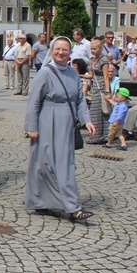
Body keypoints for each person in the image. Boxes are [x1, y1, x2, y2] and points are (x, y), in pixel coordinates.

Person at [24, 36, 96, 221]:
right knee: (43, 163)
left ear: (70, 52)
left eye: (65, 49)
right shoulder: (44, 73)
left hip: (66, 123)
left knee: (65, 164)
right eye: (58, 49)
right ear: (52, 50)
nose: (61, 52)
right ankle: (40, 201)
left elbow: (79, 99)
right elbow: (33, 102)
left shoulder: (72, 73)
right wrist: (31, 127)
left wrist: (86, 120)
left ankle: (72, 206)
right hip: (47, 121)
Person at [86, 38, 110, 144]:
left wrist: (107, 91)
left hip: (101, 87)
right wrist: (79, 75)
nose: (92, 51)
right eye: (91, 49)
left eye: (95, 49)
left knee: (103, 112)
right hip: (95, 87)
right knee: (95, 112)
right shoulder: (92, 60)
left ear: (100, 49)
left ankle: (102, 136)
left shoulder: (104, 60)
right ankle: (97, 136)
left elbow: (106, 76)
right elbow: (91, 75)